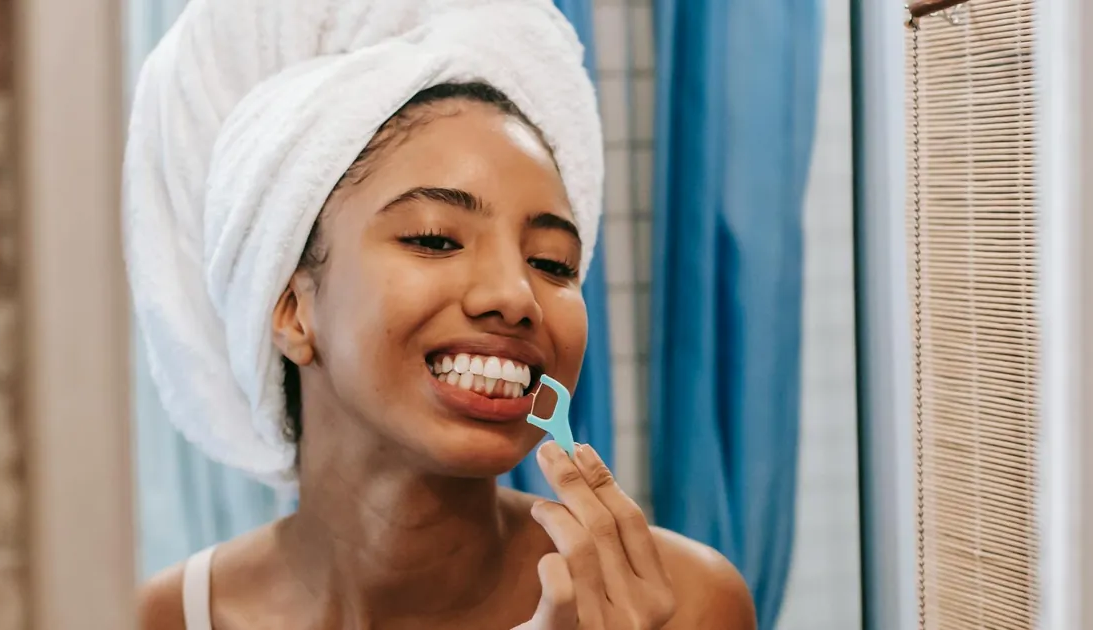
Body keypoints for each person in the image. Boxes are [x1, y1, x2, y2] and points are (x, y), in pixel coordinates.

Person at [126, 3, 754, 629]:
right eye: (434, 239)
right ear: (292, 311)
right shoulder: (166, 618)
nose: (517, 296)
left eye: (553, 262)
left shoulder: (683, 605)